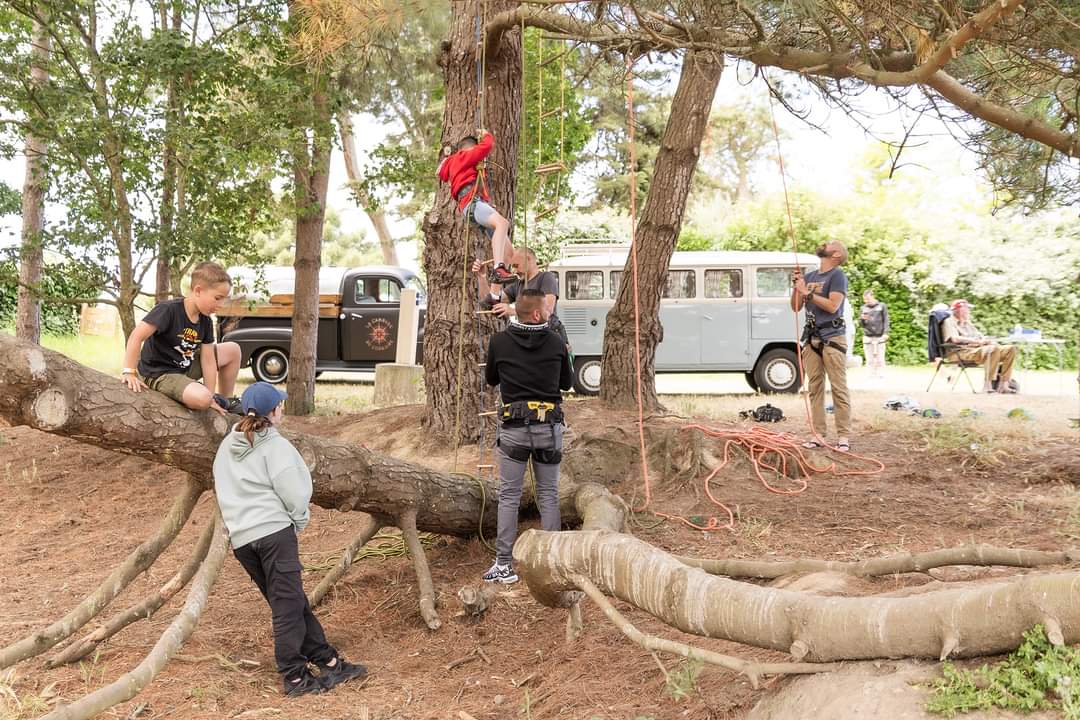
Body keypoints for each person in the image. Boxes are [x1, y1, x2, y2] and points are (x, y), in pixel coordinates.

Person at [213, 382, 367, 697]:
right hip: (273, 534)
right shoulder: (276, 446)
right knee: (286, 607)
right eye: (279, 405)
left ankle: (328, 660)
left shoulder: (227, 447)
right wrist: (298, 520)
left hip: (244, 541)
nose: (282, 408)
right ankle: (294, 677)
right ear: (273, 412)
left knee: (290, 601)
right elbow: (294, 491)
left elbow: (222, 489)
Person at [483, 289, 573, 584]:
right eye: (547, 310)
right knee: (548, 494)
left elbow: (492, 379)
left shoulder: (499, 342)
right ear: (536, 314)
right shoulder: (556, 341)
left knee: (509, 496)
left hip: (514, 431)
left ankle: (504, 564)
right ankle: (551, 562)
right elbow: (567, 383)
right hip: (549, 429)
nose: (550, 314)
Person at [121, 261, 243, 415]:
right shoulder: (168, 310)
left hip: (184, 367)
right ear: (198, 290)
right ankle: (201, 396)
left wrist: (212, 396)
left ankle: (225, 401)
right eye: (217, 298)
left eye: (224, 299)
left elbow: (208, 360)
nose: (221, 304)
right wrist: (129, 372)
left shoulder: (204, 320)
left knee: (233, 349)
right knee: (202, 398)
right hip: (160, 373)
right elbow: (136, 336)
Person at [437, 129, 516, 290]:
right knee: (502, 223)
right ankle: (498, 268)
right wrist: (486, 134)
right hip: (472, 203)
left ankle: (494, 295)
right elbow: (486, 146)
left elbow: (440, 172)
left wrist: (446, 159)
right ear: (469, 149)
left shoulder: (453, 161)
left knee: (509, 252)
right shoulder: (463, 156)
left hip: (474, 205)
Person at [792, 241, 852, 451]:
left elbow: (833, 306)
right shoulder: (810, 277)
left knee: (838, 387)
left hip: (833, 337)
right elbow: (795, 307)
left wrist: (807, 293)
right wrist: (797, 288)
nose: (823, 244)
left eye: (829, 244)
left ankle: (843, 436)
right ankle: (818, 434)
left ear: (835, 254)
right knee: (814, 387)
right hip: (811, 337)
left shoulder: (837, 276)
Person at [473, 246, 569, 346]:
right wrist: (482, 277)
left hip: (550, 337)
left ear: (528, 259)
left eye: (516, 265)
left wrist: (512, 311)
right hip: (531, 339)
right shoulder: (518, 284)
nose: (514, 270)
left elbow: (547, 311)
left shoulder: (546, 277)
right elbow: (490, 301)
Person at [940, 298, 1017, 393]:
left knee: (1010, 349)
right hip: (960, 352)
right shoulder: (948, 321)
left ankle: (1004, 385)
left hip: (977, 350)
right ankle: (987, 386)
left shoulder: (968, 323)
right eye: (967, 309)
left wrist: (987, 341)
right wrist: (977, 342)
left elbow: (979, 336)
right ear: (960, 310)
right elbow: (954, 339)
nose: (969, 311)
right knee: (992, 350)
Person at [859, 289, 890, 379]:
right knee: (869, 357)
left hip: (880, 335)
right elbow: (861, 324)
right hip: (867, 336)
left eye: (867, 298)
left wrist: (886, 333)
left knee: (880, 357)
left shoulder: (882, 306)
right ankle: (870, 374)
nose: (866, 301)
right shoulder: (863, 308)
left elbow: (886, 320)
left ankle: (881, 374)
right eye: (865, 299)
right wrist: (862, 319)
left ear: (872, 296)